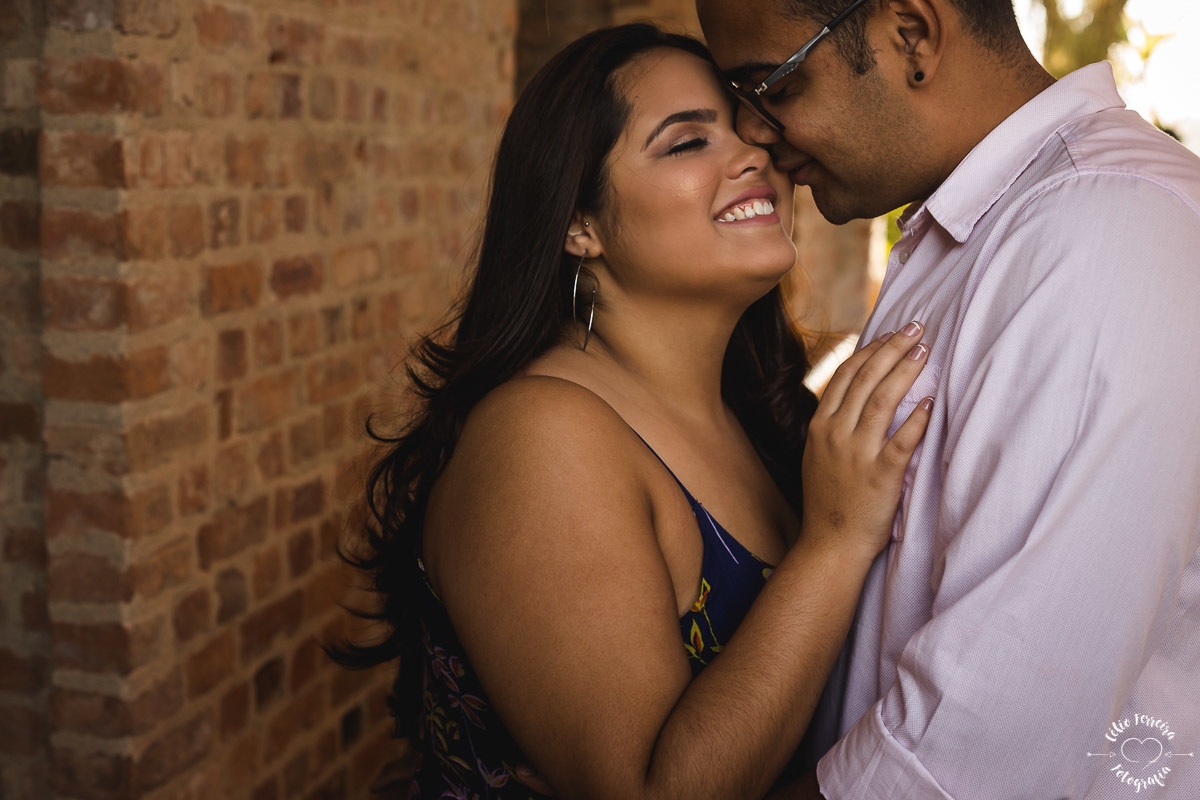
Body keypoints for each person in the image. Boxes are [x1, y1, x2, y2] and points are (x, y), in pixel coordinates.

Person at [332, 23, 939, 800]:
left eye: (749, 125)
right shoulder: (542, 437)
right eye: (687, 143)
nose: (756, 154)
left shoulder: (756, 414)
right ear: (578, 225)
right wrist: (834, 543)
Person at [696, 0, 1200, 797]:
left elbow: (979, 752)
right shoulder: (982, 229)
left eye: (773, 86)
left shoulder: (1104, 234)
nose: (753, 133)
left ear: (913, 36)